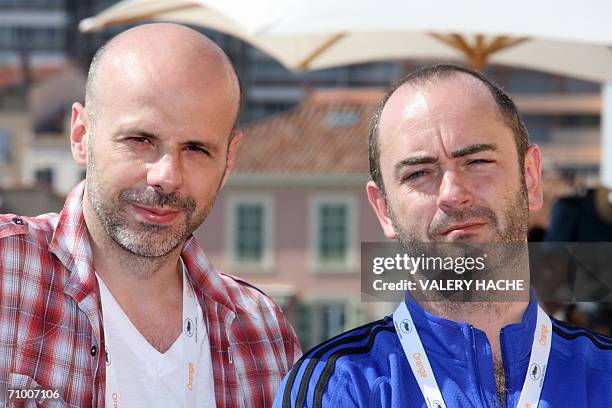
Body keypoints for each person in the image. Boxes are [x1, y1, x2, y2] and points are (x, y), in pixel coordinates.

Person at [274, 64, 612, 407]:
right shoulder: (336, 388)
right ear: (384, 209)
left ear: (530, 179)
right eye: (419, 172)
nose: (452, 193)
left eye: (477, 161)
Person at [0, 24, 300, 407]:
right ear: (81, 136)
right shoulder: (7, 272)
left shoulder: (262, 333)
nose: (166, 177)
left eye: (196, 149)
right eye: (140, 140)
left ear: (228, 160)